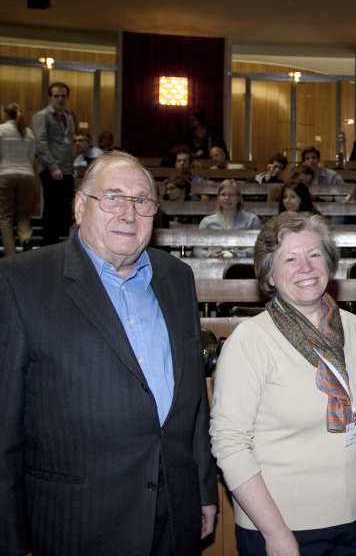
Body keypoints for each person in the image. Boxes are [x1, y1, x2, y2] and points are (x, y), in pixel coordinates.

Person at [0, 151, 218, 555]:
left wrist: (203, 488)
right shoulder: (19, 282)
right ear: (81, 206)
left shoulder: (176, 277)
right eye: (113, 198)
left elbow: (193, 399)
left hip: (173, 514)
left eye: (142, 201)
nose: (129, 213)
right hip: (76, 523)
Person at [210, 211, 356, 556]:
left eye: (314, 254)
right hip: (281, 527)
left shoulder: (352, 328)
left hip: (354, 519)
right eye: (290, 258)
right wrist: (276, 533)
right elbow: (229, 444)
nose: (306, 267)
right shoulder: (250, 341)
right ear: (270, 275)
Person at [33, 81, 75, 246]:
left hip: (66, 169)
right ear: (50, 97)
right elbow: (41, 144)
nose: (60, 99)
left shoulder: (68, 116)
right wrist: (53, 167)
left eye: (63, 96)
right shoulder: (42, 116)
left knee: (63, 211)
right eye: (56, 96)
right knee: (51, 210)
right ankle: (48, 246)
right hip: (52, 169)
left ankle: (60, 246)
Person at [0, 103, 36, 255]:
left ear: (5, 114)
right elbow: (31, 156)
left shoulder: (1, 130)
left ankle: (10, 252)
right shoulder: (28, 133)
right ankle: (26, 240)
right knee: (23, 214)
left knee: (5, 216)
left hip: (5, 173)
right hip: (27, 175)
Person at [194, 179, 262, 258]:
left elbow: (258, 248)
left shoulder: (252, 220)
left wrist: (238, 254)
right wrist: (210, 255)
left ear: (239, 198)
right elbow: (198, 249)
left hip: (242, 266)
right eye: (223, 194)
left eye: (232, 195)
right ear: (218, 198)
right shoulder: (207, 222)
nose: (227, 198)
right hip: (213, 265)